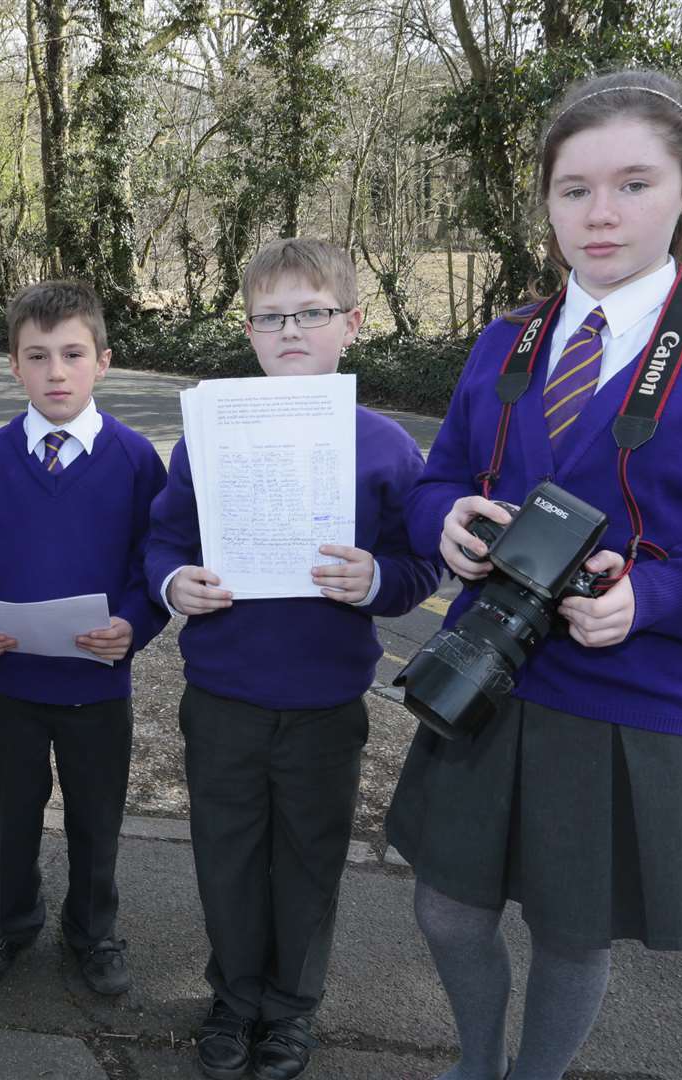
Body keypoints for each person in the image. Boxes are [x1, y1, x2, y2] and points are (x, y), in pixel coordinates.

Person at [384, 70, 682, 1080]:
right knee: (446, 910)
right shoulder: (507, 340)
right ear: (546, 200)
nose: (599, 214)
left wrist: (656, 596)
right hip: (481, 676)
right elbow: (442, 479)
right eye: (573, 189)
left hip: (622, 696)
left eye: (633, 184)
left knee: (571, 934)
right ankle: (477, 1066)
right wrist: (444, 518)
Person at [146, 238, 442, 1080]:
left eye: (309, 313)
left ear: (351, 324)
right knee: (227, 853)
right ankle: (234, 1001)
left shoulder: (385, 447)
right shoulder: (207, 433)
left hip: (324, 697)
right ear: (247, 331)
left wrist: (380, 576)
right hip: (225, 691)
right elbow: (165, 535)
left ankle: (291, 1011)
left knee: (310, 858)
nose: (288, 331)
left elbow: (419, 562)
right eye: (270, 317)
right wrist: (174, 583)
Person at [0, 279, 169, 996]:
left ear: (104, 360)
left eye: (72, 354)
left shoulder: (134, 460)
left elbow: (152, 559)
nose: (56, 371)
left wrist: (135, 623)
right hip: (12, 684)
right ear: (14, 366)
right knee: (10, 819)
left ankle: (93, 932)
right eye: (37, 356)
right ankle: (10, 921)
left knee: (97, 822)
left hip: (98, 685)